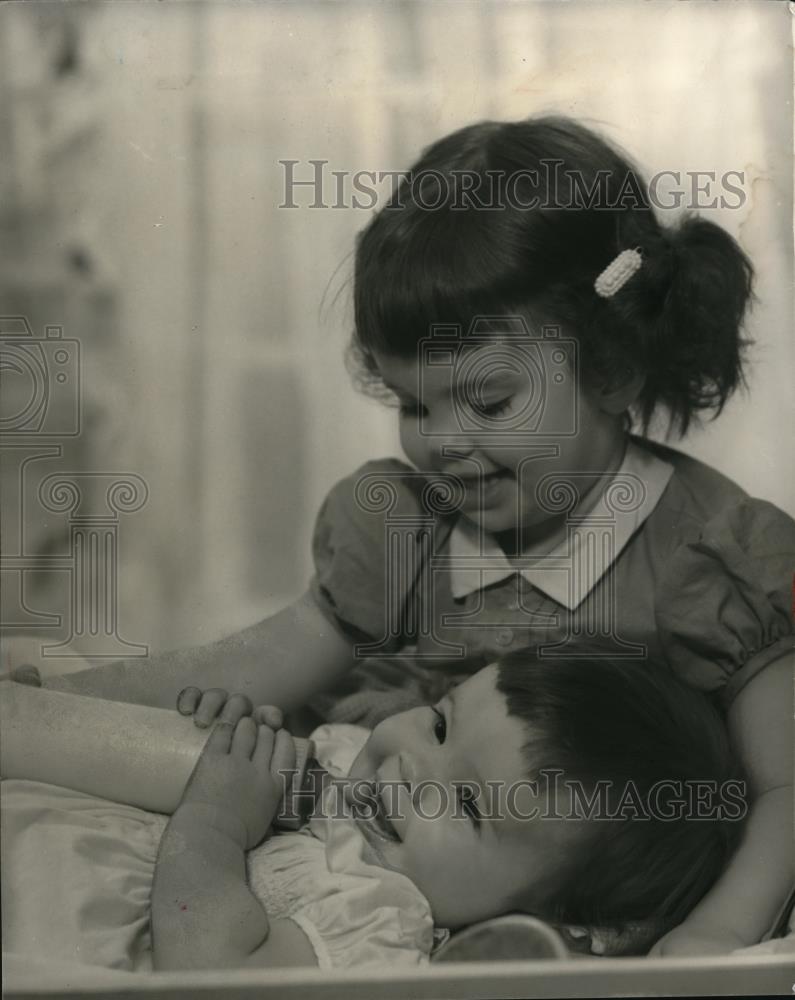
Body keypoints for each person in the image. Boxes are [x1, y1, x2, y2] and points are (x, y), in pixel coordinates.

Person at [30, 115, 793, 955]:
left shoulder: (707, 555)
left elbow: (786, 785)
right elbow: (263, 657)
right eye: (414, 405)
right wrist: (64, 694)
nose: (442, 443)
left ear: (609, 370)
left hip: (527, 879)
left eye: (489, 402)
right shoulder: (408, 522)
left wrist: (712, 936)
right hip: (345, 804)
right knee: (186, 754)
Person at [1, 657, 746, 970]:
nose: (407, 767)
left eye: (464, 805)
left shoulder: (382, 918)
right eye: (441, 723)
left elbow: (210, 972)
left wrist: (218, 820)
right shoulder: (353, 761)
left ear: (553, 913)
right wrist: (224, 734)